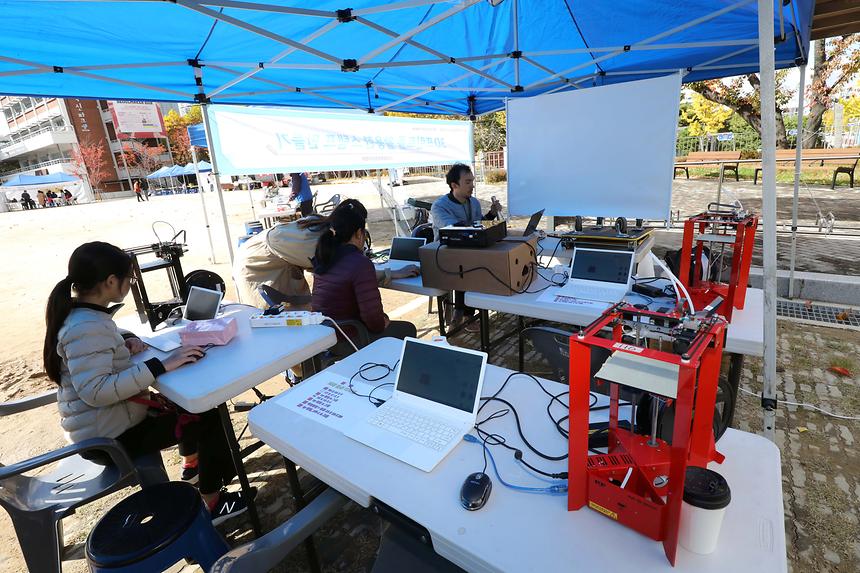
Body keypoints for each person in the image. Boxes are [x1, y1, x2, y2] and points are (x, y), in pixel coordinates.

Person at [43, 242, 251, 523]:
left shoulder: (81, 314)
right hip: (108, 438)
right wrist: (162, 364)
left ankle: (192, 466)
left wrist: (128, 338)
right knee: (208, 415)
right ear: (111, 281)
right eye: (129, 279)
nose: (129, 285)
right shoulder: (86, 327)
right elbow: (96, 391)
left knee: (186, 406)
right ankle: (212, 503)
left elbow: (109, 334)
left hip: (106, 423)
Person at [235, 200, 418, 308]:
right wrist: (392, 273)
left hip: (276, 259)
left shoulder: (327, 229)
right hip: (257, 267)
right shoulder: (315, 241)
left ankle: (304, 369)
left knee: (303, 314)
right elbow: (351, 271)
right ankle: (301, 372)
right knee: (282, 320)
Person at [311, 200, 417, 352]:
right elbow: (373, 319)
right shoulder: (360, 263)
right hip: (349, 337)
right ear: (359, 233)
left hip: (325, 334)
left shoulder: (324, 256)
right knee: (407, 329)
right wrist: (382, 321)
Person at [430, 163, 503, 332]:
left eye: (473, 181)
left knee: (485, 263)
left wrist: (491, 214)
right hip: (444, 253)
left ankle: (466, 311)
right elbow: (456, 230)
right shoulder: (439, 206)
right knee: (470, 267)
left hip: (469, 249)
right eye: (468, 182)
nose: (472, 185)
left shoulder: (474, 202)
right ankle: (465, 314)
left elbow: (477, 225)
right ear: (454, 185)